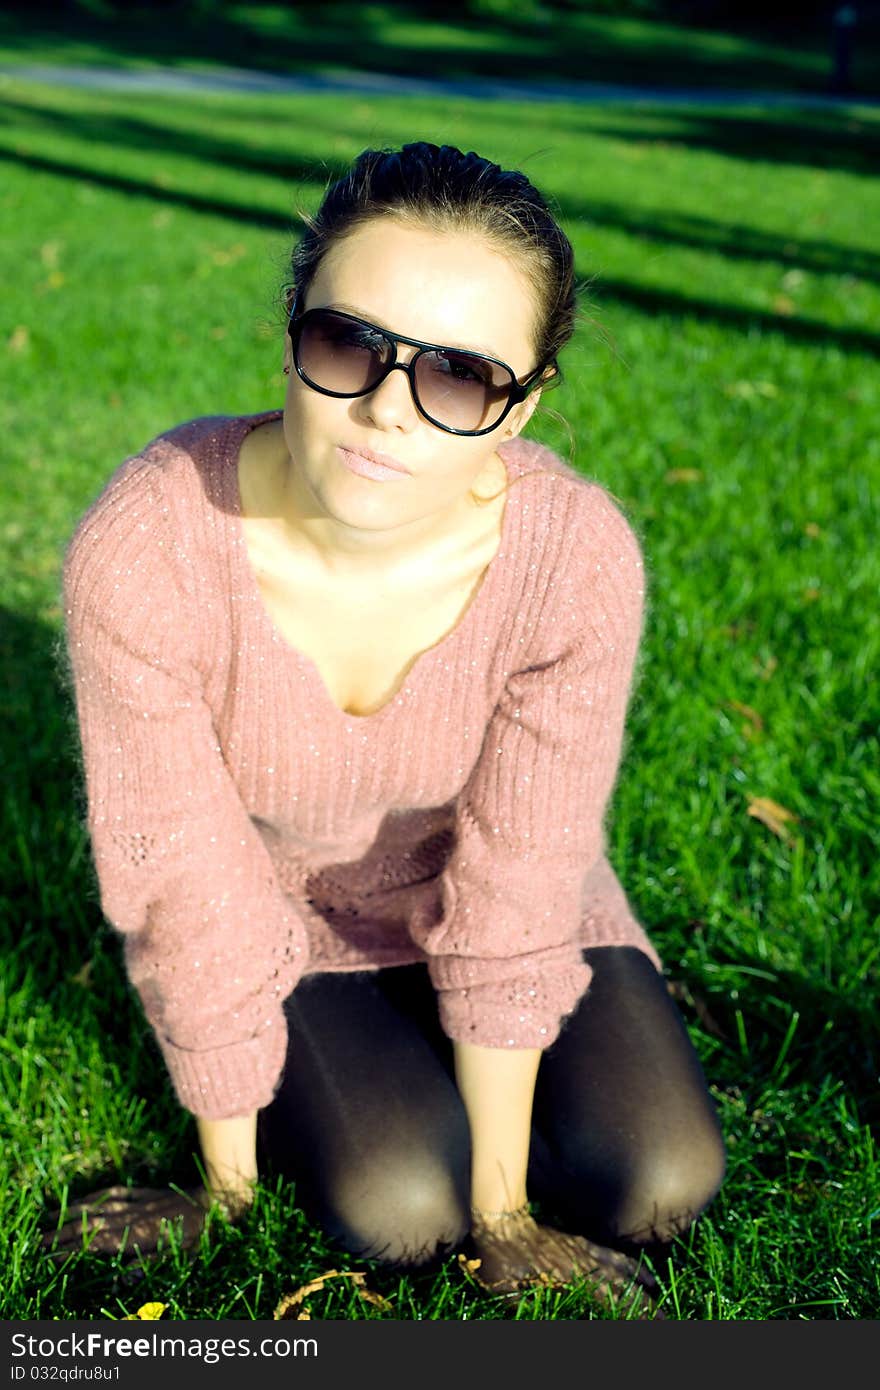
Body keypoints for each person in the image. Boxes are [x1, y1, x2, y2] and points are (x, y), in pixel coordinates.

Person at [49, 142, 725, 1313]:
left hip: (485, 886)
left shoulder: (572, 559)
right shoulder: (151, 545)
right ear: (290, 329)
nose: (386, 410)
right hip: (283, 908)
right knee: (397, 1210)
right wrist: (227, 1189)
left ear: (524, 404)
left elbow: (521, 876)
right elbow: (186, 883)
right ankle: (393, 1097)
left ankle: (476, 1113)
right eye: (346, 344)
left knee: (661, 1176)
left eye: (460, 376)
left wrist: (508, 1214)